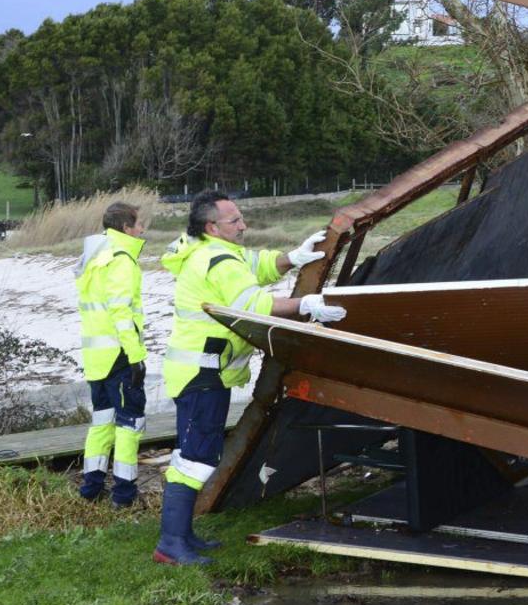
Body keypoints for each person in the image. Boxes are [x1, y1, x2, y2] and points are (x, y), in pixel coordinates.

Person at [154, 190, 347, 565]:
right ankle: (170, 544)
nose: (243, 225)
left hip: (204, 371)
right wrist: (306, 306)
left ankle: (183, 536)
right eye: (235, 221)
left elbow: (256, 265)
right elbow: (254, 306)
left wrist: (292, 258)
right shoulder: (217, 259)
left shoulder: (215, 251)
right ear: (212, 227)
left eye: (241, 217)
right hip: (202, 374)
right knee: (195, 458)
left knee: (196, 453)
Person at [73, 201, 148, 508]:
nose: (142, 229)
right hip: (119, 355)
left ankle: (91, 489)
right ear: (125, 228)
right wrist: (136, 356)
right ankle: (124, 494)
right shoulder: (121, 259)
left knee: (101, 422)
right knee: (130, 423)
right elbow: (121, 312)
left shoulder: (93, 256)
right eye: (138, 224)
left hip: (95, 357)